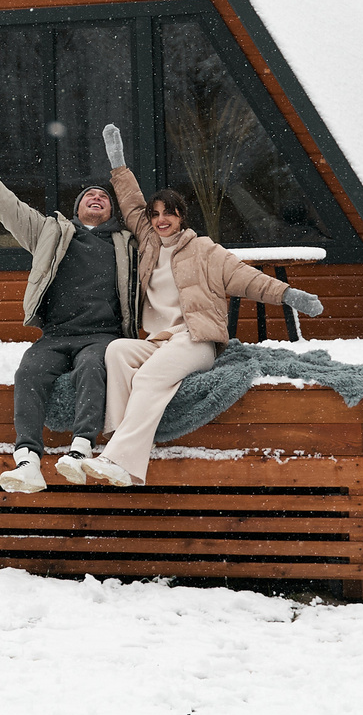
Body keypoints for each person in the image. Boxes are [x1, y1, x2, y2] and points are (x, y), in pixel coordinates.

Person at [60, 123, 325, 488]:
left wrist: (289, 295)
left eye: (169, 213)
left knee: (151, 377)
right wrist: (118, 165)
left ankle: (120, 460)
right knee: (118, 351)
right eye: (155, 215)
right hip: (159, 340)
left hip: (196, 340)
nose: (161, 219)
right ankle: (122, 438)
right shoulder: (150, 244)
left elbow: (247, 278)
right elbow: (131, 203)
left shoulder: (204, 250)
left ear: (181, 216)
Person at [0, 138, 134, 492]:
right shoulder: (50, 232)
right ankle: (28, 460)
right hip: (56, 335)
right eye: (90, 195)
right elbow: (6, 206)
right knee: (28, 370)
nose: (97, 198)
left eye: (104, 197)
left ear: (112, 211)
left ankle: (80, 451)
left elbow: (144, 213)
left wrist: (120, 169)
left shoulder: (126, 243)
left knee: (92, 367)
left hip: (103, 334)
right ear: (77, 208)